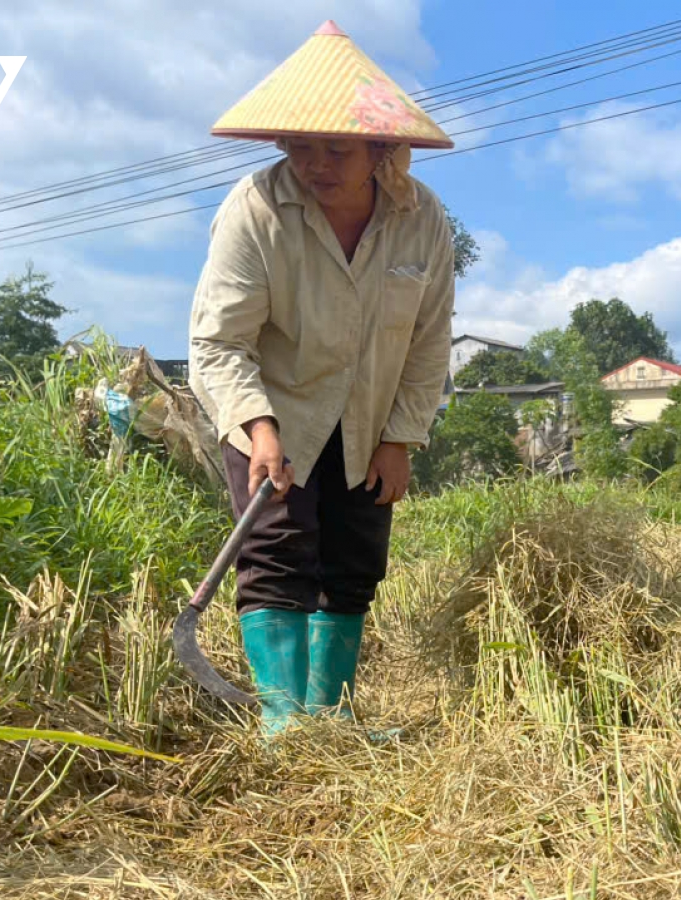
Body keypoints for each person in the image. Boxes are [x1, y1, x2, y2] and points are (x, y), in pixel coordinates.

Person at [187, 21, 455, 736]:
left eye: (337, 149)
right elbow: (219, 341)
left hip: (370, 418)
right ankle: (285, 723)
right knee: (276, 552)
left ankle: (329, 717)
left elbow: (429, 340)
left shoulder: (422, 220)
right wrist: (259, 428)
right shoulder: (255, 209)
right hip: (273, 409)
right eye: (302, 147)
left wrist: (400, 437)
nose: (317, 164)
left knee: (353, 561)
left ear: (381, 150)